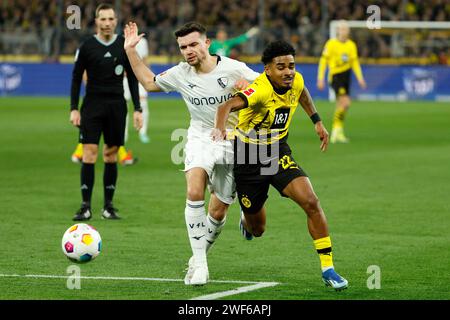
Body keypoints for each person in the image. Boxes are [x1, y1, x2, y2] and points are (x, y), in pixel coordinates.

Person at [123, 21, 259, 285]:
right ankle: (200, 266)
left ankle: (198, 258)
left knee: (218, 213)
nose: (188, 50)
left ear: (207, 44)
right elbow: (150, 83)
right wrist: (131, 51)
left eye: (193, 44)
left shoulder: (234, 69)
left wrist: (248, 89)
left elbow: (265, 89)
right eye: (183, 47)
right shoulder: (181, 73)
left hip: (233, 141)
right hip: (200, 137)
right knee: (194, 188)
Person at [212, 40, 348, 291]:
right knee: (258, 228)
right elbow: (227, 105)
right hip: (249, 155)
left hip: (276, 150)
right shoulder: (260, 90)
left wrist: (317, 121)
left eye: (291, 66)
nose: (288, 72)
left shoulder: (295, 80)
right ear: (267, 70)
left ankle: (328, 268)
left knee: (311, 201)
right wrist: (220, 128)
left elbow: (303, 92)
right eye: (281, 67)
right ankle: (246, 218)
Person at [69, 3, 143, 221]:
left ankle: (108, 206)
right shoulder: (87, 46)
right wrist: (74, 108)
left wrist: (137, 108)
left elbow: (132, 78)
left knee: (111, 155)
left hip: (116, 106)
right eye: (103, 19)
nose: (107, 23)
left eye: (111, 19)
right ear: (96, 21)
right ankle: (85, 206)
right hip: (91, 106)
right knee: (89, 153)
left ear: (115, 21)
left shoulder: (124, 45)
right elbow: (75, 79)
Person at [317, 20, 366, 143]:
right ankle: (335, 130)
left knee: (341, 105)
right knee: (345, 103)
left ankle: (337, 132)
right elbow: (323, 62)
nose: (344, 32)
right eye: (342, 29)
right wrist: (320, 78)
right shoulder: (331, 44)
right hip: (336, 75)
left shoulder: (351, 45)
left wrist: (360, 78)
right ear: (338, 31)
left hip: (347, 75)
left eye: (346, 30)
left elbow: (354, 62)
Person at [123, 36, 151, 144]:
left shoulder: (143, 41)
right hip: (125, 78)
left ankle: (142, 132)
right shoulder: (121, 40)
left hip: (139, 77)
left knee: (143, 103)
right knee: (123, 106)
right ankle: (123, 133)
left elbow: (144, 59)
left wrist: (147, 76)